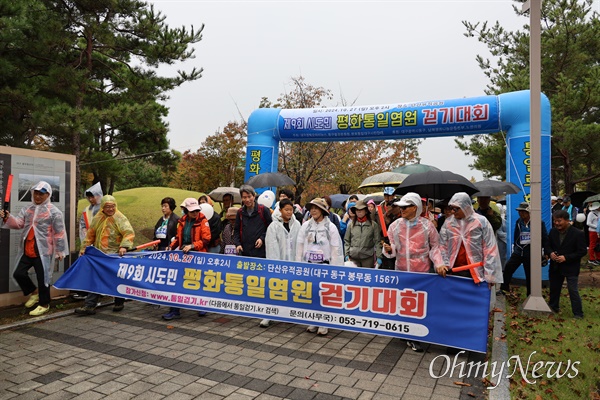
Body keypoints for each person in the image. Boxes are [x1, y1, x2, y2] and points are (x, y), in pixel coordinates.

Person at [382, 193, 444, 352]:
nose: (401, 209)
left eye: (405, 207)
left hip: (421, 272)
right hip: (401, 270)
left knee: (418, 304)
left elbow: (436, 247)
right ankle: (405, 331)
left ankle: (415, 336)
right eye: (400, 207)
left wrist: (439, 263)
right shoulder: (395, 226)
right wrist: (389, 249)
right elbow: (392, 248)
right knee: (402, 302)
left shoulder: (427, 226)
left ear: (415, 208)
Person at [1, 181, 68, 316]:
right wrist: (8, 217)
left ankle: (44, 304)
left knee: (43, 278)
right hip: (28, 249)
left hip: (43, 251)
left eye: (41, 194)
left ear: (48, 195)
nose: (37, 197)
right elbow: (19, 224)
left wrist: (60, 250)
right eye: (36, 193)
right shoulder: (28, 209)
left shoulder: (54, 212)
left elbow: (59, 233)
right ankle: (34, 292)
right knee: (19, 273)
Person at [75, 195, 135, 315]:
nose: (110, 209)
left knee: (115, 278)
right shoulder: (98, 218)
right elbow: (90, 235)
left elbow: (128, 232)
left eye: (112, 206)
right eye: (107, 207)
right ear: (102, 207)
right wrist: (84, 249)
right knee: (96, 278)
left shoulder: (120, 218)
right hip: (100, 255)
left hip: (114, 255)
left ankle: (119, 301)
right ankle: (90, 305)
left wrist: (124, 246)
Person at [435, 192, 503, 289]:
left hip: (475, 271)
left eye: (456, 208)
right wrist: (442, 264)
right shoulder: (448, 223)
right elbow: (442, 245)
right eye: (451, 208)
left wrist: (490, 273)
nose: (453, 211)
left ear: (465, 206)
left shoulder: (481, 221)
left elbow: (490, 248)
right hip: (452, 270)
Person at [296, 198, 344, 336]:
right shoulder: (305, 226)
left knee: (324, 294)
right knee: (311, 294)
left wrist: (335, 268)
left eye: (316, 208)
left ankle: (324, 322)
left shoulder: (331, 227)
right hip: (309, 266)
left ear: (323, 210)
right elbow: (299, 245)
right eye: (311, 208)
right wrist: (298, 264)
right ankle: (313, 320)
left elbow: (336, 249)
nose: (313, 210)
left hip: (325, 266)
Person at [161, 198, 212, 320]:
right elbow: (179, 238)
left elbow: (206, 239)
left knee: (199, 282)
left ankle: (202, 307)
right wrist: (171, 247)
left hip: (198, 256)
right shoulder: (182, 221)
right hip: (183, 255)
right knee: (177, 281)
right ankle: (174, 310)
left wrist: (193, 246)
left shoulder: (203, 221)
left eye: (196, 210)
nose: (195, 213)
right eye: (192, 211)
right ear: (186, 210)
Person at [260, 199, 301, 328]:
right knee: (275, 288)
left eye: (291, 210)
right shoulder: (274, 226)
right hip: (279, 262)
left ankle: (290, 313)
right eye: (286, 210)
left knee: (291, 288)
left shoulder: (297, 225)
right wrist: (276, 265)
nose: (289, 212)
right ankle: (268, 315)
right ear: (280, 210)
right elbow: (272, 246)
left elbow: (300, 244)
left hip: (293, 261)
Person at [498, 202, 550, 296]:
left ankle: (530, 294)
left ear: (529, 212)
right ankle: (504, 288)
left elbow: (545, 237)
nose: (521, 214)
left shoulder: (538, 222)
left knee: (529, 274)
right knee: (508, 268)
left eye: (523, 212)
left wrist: (546, 252)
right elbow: (516, 235)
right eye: (519, 211)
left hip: (531, 251)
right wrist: (516, 246)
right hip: (519, 250)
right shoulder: (519, 221)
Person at [547, 210, 586, 318]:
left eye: (559, 221)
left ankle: (578, 313)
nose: (557, 223)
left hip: (571, 267)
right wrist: (550, 253)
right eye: (555, 221)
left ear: (567, 220)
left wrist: (566, 258)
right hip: (555, 267)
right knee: (554, 289)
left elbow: (582, 251)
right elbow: (548, 245)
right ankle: (553, 308)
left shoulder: (578, 233)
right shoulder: (552, 232)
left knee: (573, 290)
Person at [234, 185, 272, 258]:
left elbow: (270, 228)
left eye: (249, 196)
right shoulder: (240, 212)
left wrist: (262, 238)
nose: (247, 200)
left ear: (254, 196)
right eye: (244, 197)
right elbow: (236, 230)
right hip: (245, 252)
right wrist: (238, 244)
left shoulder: (263, 210)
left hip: (261, 252)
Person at [344, 200, 382, 268]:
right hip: (353, 257)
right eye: (357, 210)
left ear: (366, 211)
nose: (359, 211)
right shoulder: (351, 225)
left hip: (367, 258)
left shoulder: (373, 225)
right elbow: (347, 241)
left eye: (361, 209)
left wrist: (379, 256)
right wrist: (346, 254)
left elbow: (377, 242)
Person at [586, 202, 600, 266]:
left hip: (598, 231)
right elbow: (588, 223)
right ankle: (592, 259)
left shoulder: (599, 213)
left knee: (598, 245)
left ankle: (598, 258)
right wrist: (596, 226)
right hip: (593, 231)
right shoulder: (591, 214)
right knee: (592, 244)